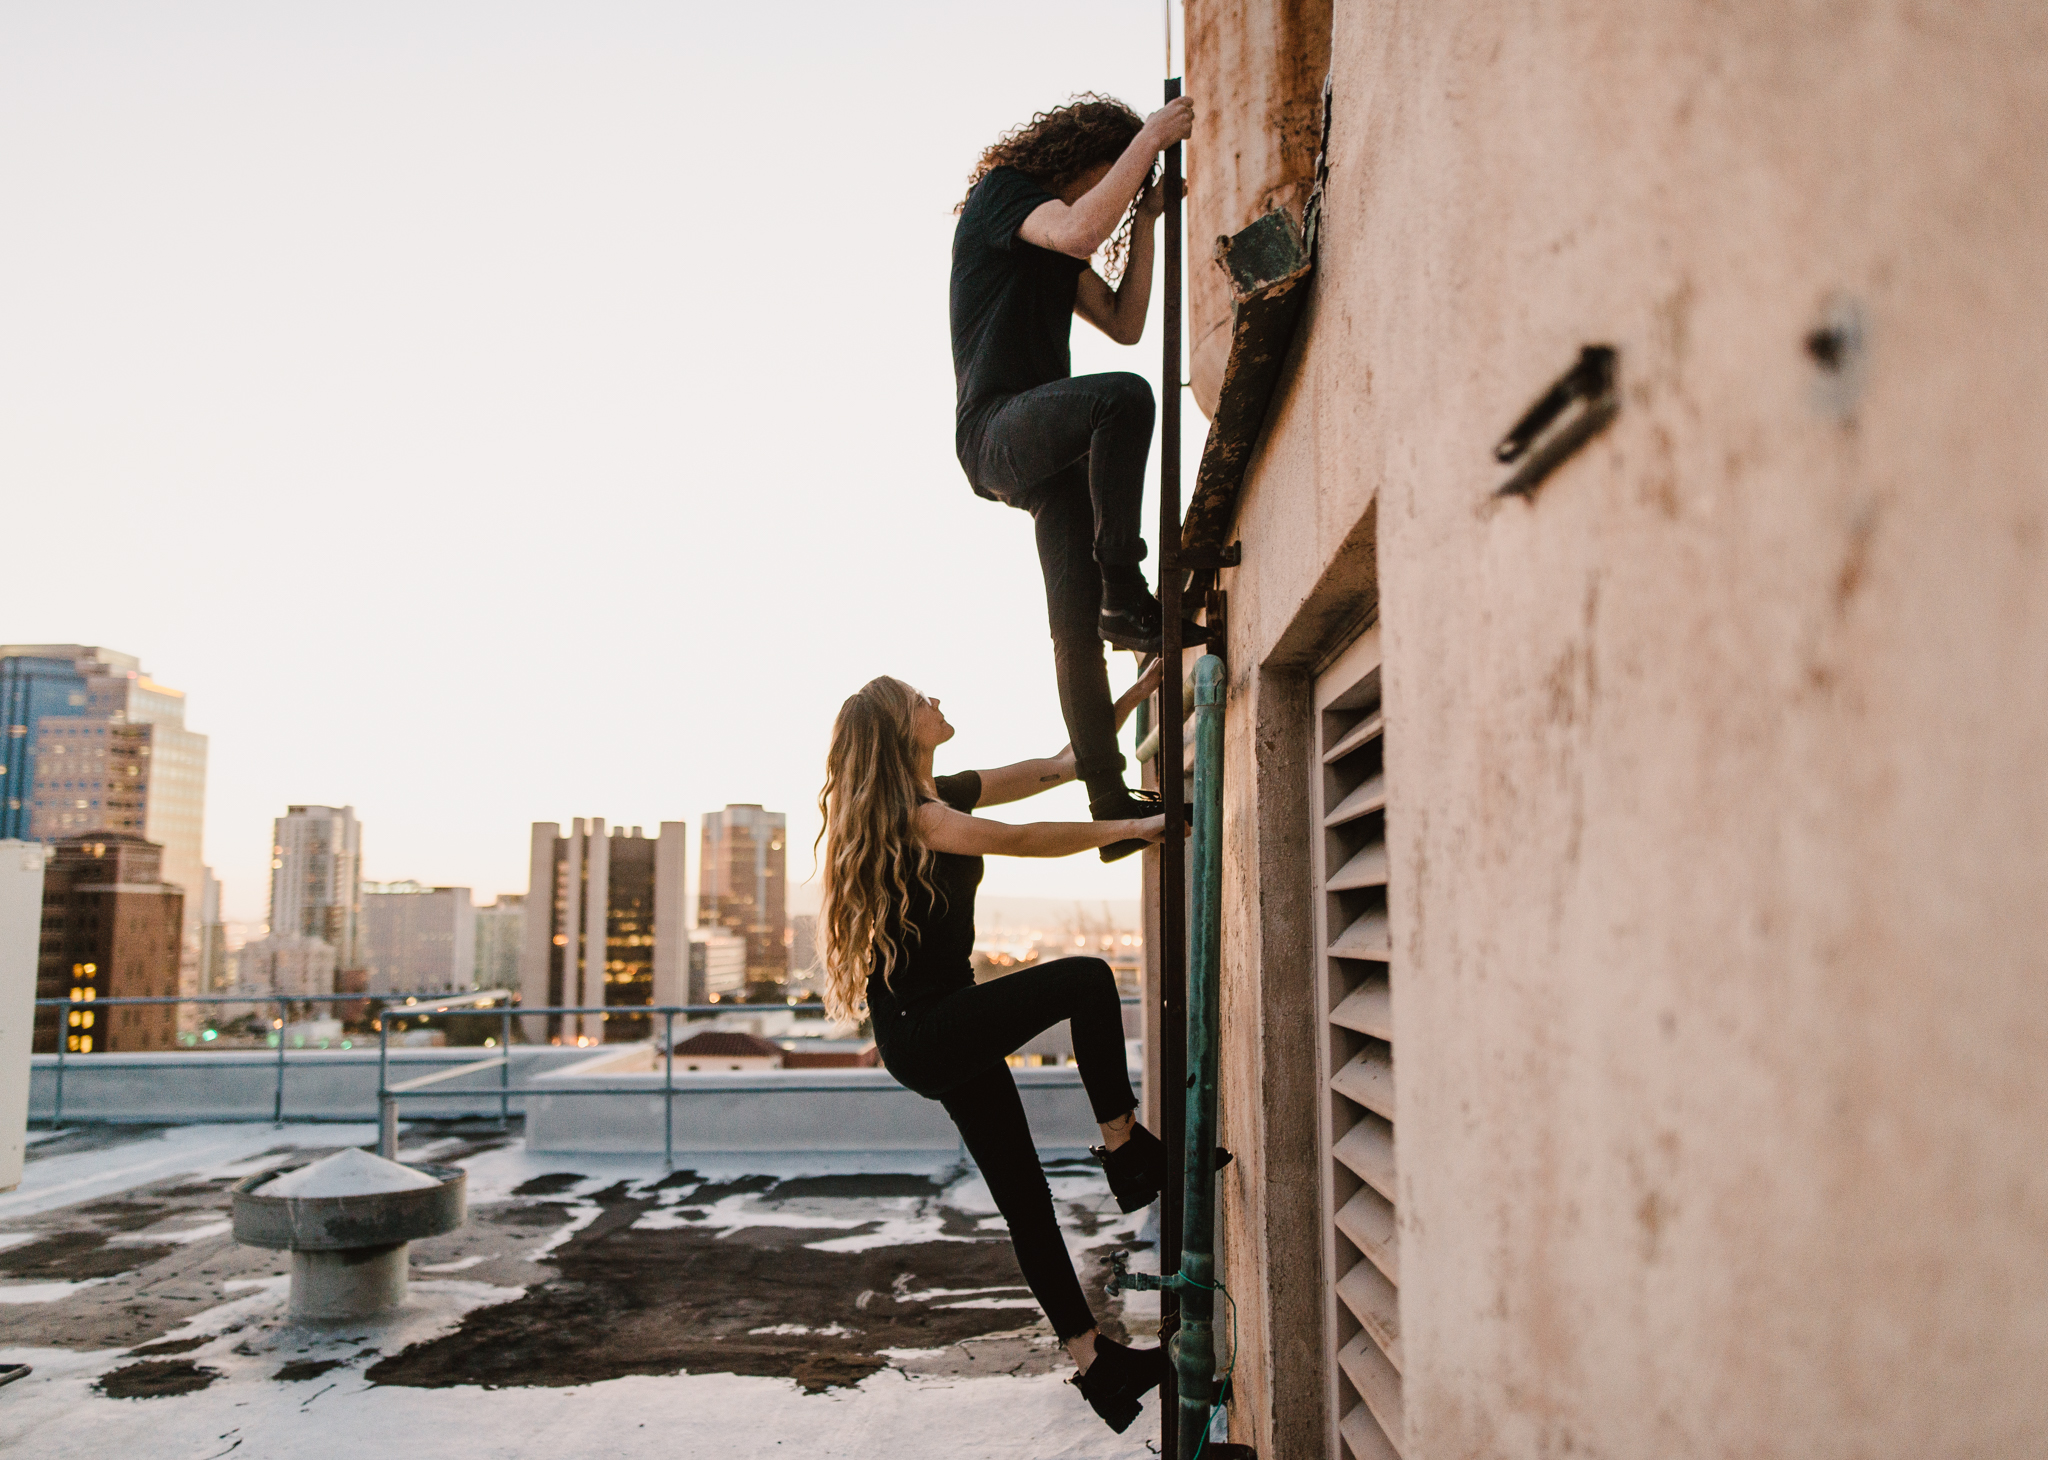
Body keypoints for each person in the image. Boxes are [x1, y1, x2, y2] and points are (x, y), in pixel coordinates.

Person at [816, 667, 1173, 1433]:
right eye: (921, 700)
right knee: (1086, 980)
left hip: (936, 1025)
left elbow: (1062, 764)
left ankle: (1098, 1367)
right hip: (927, 1026)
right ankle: (1125, 1149)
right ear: (898, 728)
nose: (937, 701)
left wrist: (1145, 685)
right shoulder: (919, 816)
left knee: (1025, 1199)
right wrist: (1133, 829)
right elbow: (1020, 841)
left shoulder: (944, 793)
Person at [950, 92, 1196, 861]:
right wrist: (1151, 136)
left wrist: (1149, 223)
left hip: (1046, 451)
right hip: (997, 431)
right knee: (1123, 400)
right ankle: (1127, 590)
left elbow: (1125, 324)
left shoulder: (1060, 245)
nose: (1109, 185)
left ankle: (1106, 798)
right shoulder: (1006, 200)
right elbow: (1082, 223)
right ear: (1077, 155)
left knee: (1070, 623)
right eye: (1107, 166)